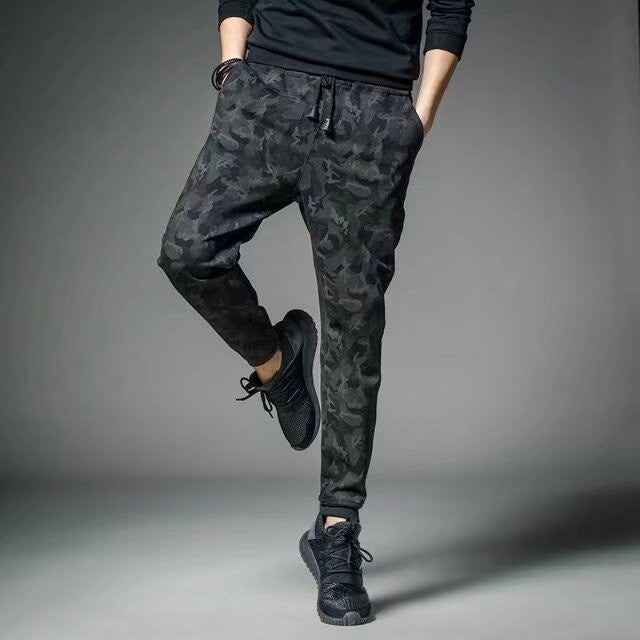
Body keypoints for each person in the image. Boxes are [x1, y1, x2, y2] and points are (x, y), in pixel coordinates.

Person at [158, 0, 474, 625]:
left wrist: (417, 119)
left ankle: (336, 530)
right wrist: (233, 68)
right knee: (189, 252)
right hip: (267, 96)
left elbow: (451, 7)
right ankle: (277, 360)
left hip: (371, 116)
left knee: (355, 325)